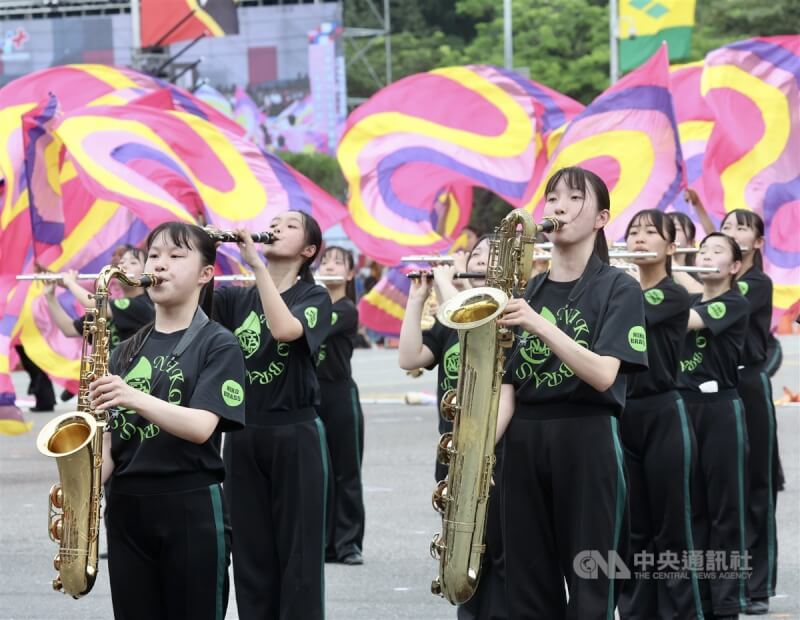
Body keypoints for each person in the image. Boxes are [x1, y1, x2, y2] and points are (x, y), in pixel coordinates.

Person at [496, 167, 648, 619]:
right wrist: (477, 448)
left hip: (588, 437)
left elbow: (603, 374)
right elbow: (507, 384)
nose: (558, 206)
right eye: (552, 197)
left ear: (601, 218)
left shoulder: (619, 286)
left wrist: (539, 323)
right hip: (523, 439)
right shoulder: (528, 290)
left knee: (592, 580)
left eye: (573, 198)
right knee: (523, 583)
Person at [90, 222, 247, 620]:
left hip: (189, 504)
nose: (160, 265)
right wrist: (80, 483)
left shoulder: (219, 343)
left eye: (176, 256)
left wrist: (132, 396)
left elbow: (200, 427)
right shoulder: (123, 350)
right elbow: (109, 444)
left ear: (205, 274)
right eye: (154, 255)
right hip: (125, 507)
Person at [213, 211, 332, 620]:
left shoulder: (315, 297)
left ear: (309, 249)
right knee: (250, 554)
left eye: (290, 225)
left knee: (298, 557)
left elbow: (284, 330)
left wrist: (257, 267)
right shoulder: (235, 298)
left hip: (294, 432)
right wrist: (201, 248)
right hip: (244, 435)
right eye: (275, 222)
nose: (277, 227)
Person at [398, 236, 507, 620]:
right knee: (460, 553)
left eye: (487, 255)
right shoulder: (449, 317)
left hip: (495, 452)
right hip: (456, 450)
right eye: (474, 253)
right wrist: (416, 298)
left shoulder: (506, 311)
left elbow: (476, 322)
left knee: (496, 551)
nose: (477, 259)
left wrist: (447, 285)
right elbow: (410, 357)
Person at [617, 209, 703, 619]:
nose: (639, 238)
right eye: (633, 231)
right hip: (624, 414)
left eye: (651, 232)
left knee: (673, 531)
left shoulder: (674, 294)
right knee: (634, 530)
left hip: (664, 413)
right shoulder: (620, 289)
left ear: (671, 247)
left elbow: (630, 314)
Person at [677, 232, 750, 620]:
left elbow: (689, 322)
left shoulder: (734, 302)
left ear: (735, 267)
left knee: (725, 509)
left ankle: (727, 603)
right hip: (682, 407)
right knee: (692, 510)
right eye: (702, 250)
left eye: (717, 251)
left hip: (720, 409)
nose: (706, 255)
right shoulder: (686, 298)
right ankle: (698, 600)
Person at [719, 209, 779, 614]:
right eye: (726, 227)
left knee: (757, 487)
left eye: (742, 227)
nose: (733, 233)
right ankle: (724, 582)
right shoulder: (713, 281)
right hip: (718, 388)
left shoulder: (755, 283)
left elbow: (725, 308)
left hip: (750, 385)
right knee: (724, 489)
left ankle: (758, 586)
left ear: (757, 242)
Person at [316, 246, 366, 565]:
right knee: (319, 472)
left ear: (350, 274)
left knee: (346, 472)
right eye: (325, 261)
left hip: (339, 396)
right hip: (311, 395)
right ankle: (323, 543)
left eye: (338, 262)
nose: (330, 266)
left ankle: (348, 543)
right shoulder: (309, 304)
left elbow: (313, 327)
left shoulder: (346, 309)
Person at [44, 246, 154, 349]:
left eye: (133, 262)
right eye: (121, 262)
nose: (123, 266)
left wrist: (70, 283)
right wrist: (50, 297)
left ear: (146, 274)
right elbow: (69, 329)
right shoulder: (111, 308)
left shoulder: (143, 305)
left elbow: (92, 304)